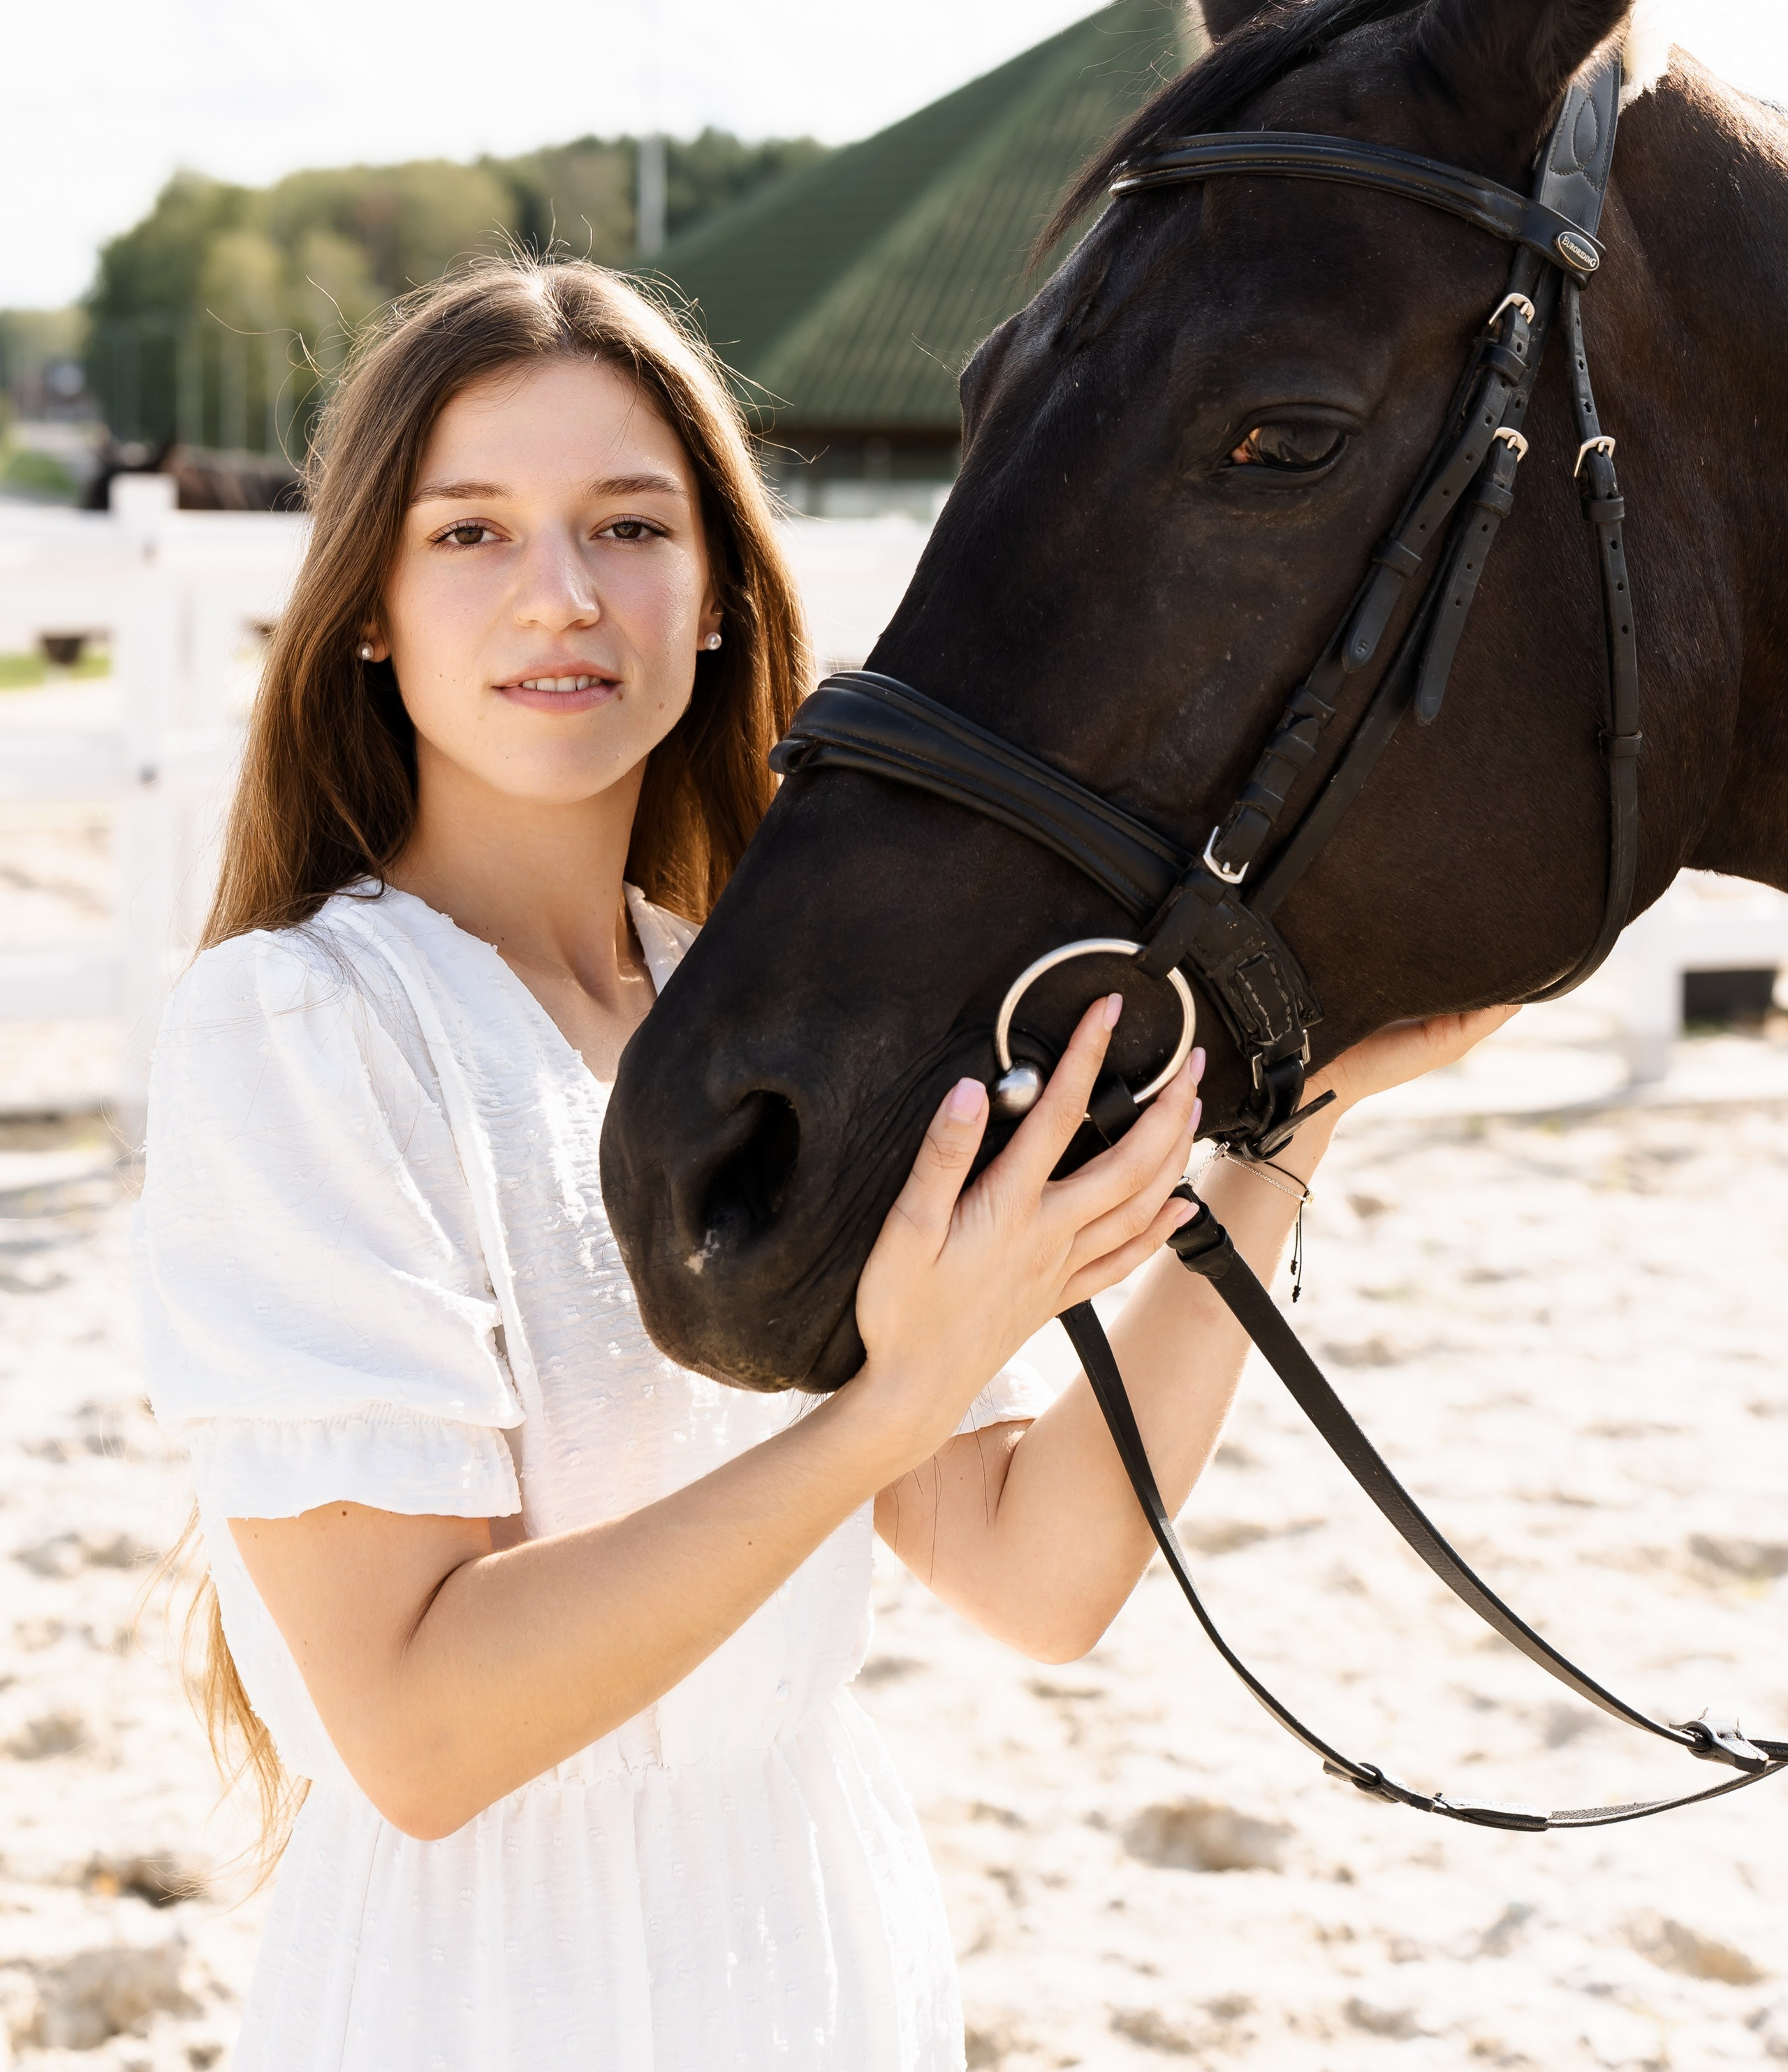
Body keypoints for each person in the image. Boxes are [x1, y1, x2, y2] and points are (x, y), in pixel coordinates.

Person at [131, 257, 1508, 2071]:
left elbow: (1040, 1569)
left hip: (813, 1946)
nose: (561, 593)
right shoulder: (306, 1032)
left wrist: (1299, 1119)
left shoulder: (772, 1020)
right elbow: (418, 1729)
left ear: (715, 596)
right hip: (491, 2000)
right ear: (371, 608)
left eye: (630, 525)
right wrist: (877, 1413)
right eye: (471, 534)